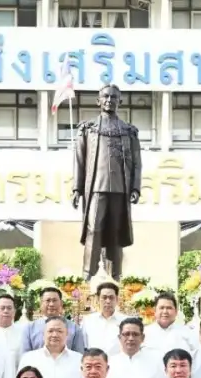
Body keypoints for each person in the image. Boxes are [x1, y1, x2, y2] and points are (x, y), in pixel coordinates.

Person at [71, 83, 143, 281]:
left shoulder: (129, 131)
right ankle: (88, 276)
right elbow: (79, 159)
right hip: (96, 187)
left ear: (120, 101)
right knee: (94, 229)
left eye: (113, 97)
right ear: (98, 101)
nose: (109, 100)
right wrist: (77, 188)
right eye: (105, 97)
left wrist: (135, 187)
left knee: (115, 233)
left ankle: (115, 278)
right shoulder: (88, 129)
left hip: (121, 188)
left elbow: (137, 163)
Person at [20, 286, 87, 354]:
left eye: (54, 300)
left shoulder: (74, 328)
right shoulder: (29, 329)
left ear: (61, 303)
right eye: (48, 300)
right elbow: (25, 356)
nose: (51, 304)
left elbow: (79, 356)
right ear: (40, 304)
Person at [82, 282, 125, 355]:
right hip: (95, 364)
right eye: (104, 297)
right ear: (98, 299)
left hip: (118, 364)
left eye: (111, 297)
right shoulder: (88, 320)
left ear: (117, 299)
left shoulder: (125, 321)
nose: (108, 301)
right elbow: (84, 346)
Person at [0, 293, 25, 369]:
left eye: (9, 308)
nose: (6, 311)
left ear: (14, 311)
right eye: (2, 308)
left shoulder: (23, 333)